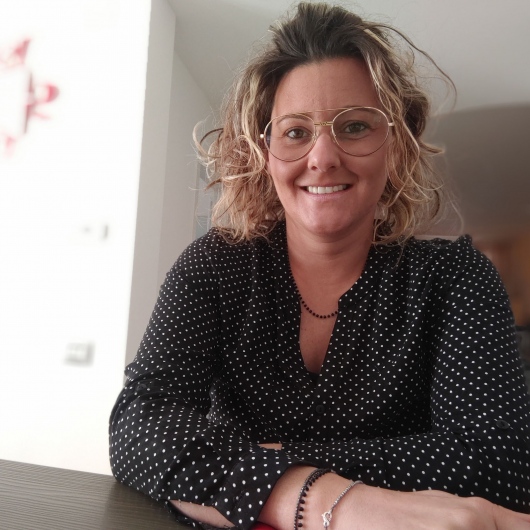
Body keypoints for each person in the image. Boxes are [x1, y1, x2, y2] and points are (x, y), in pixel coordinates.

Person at [109, 3, 530, 529]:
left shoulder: (456, 278)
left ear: (395, 145)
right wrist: (323, 500)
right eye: (295, 132)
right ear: (265, 151)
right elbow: (140, 426)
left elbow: (498, 466)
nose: (323, 157)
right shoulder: (215, 265)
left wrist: (259, 462)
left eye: (354, 126)